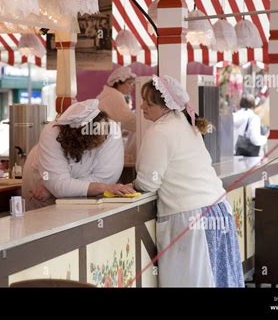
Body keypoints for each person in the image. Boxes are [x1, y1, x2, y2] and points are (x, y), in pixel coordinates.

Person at [133, 75, 244, 287]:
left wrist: (131, 186)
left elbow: (148, 183)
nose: (142, 106)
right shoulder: (185, 124)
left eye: (148, 102)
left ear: (164, 105)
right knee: (219, 279)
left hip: (191, 217)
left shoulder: (159, 131)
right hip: (217, 210)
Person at [22, 99, 135, 210]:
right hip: (39, 187)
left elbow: (106, 178)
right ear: (81, 141)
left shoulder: (111, 130)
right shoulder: (51, 134)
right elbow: (58, 185)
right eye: (98, 140)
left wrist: (57, 189)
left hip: (51, 190)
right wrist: (57, 187)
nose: (105, 139)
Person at [96, 67, 137, 161]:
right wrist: (145, 121)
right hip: (103, 142)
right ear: (119, 82)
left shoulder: (109, 94)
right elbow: (127, 119)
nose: (131, 87)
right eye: (129, 83)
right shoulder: (115, 96)